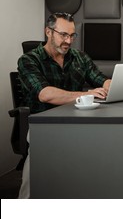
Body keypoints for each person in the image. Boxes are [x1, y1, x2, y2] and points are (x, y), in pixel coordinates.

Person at [17, 12, 111, 198]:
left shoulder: (79, 58)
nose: (68, 41)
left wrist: (111, 85)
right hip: (43, 127)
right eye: (63, 35)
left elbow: (100, 79)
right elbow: (45, 94)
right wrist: (86, 94)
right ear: (48, 32)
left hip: (77, 124)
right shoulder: (29, 60)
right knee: (33, 187)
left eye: (72, 35)